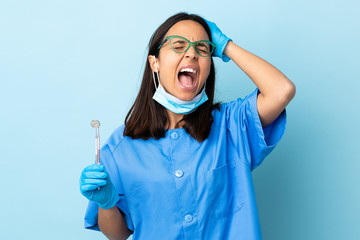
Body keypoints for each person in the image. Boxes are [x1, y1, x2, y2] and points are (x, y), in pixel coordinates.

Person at [80, 12, 295, 240]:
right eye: (179, 45)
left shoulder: (232, 125)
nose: (192, 53)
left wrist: (227, 46)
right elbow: (117, 235)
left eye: (202, 49)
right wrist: (107, 203)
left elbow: (282, 90)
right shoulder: (119, 148)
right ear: (155, 62)